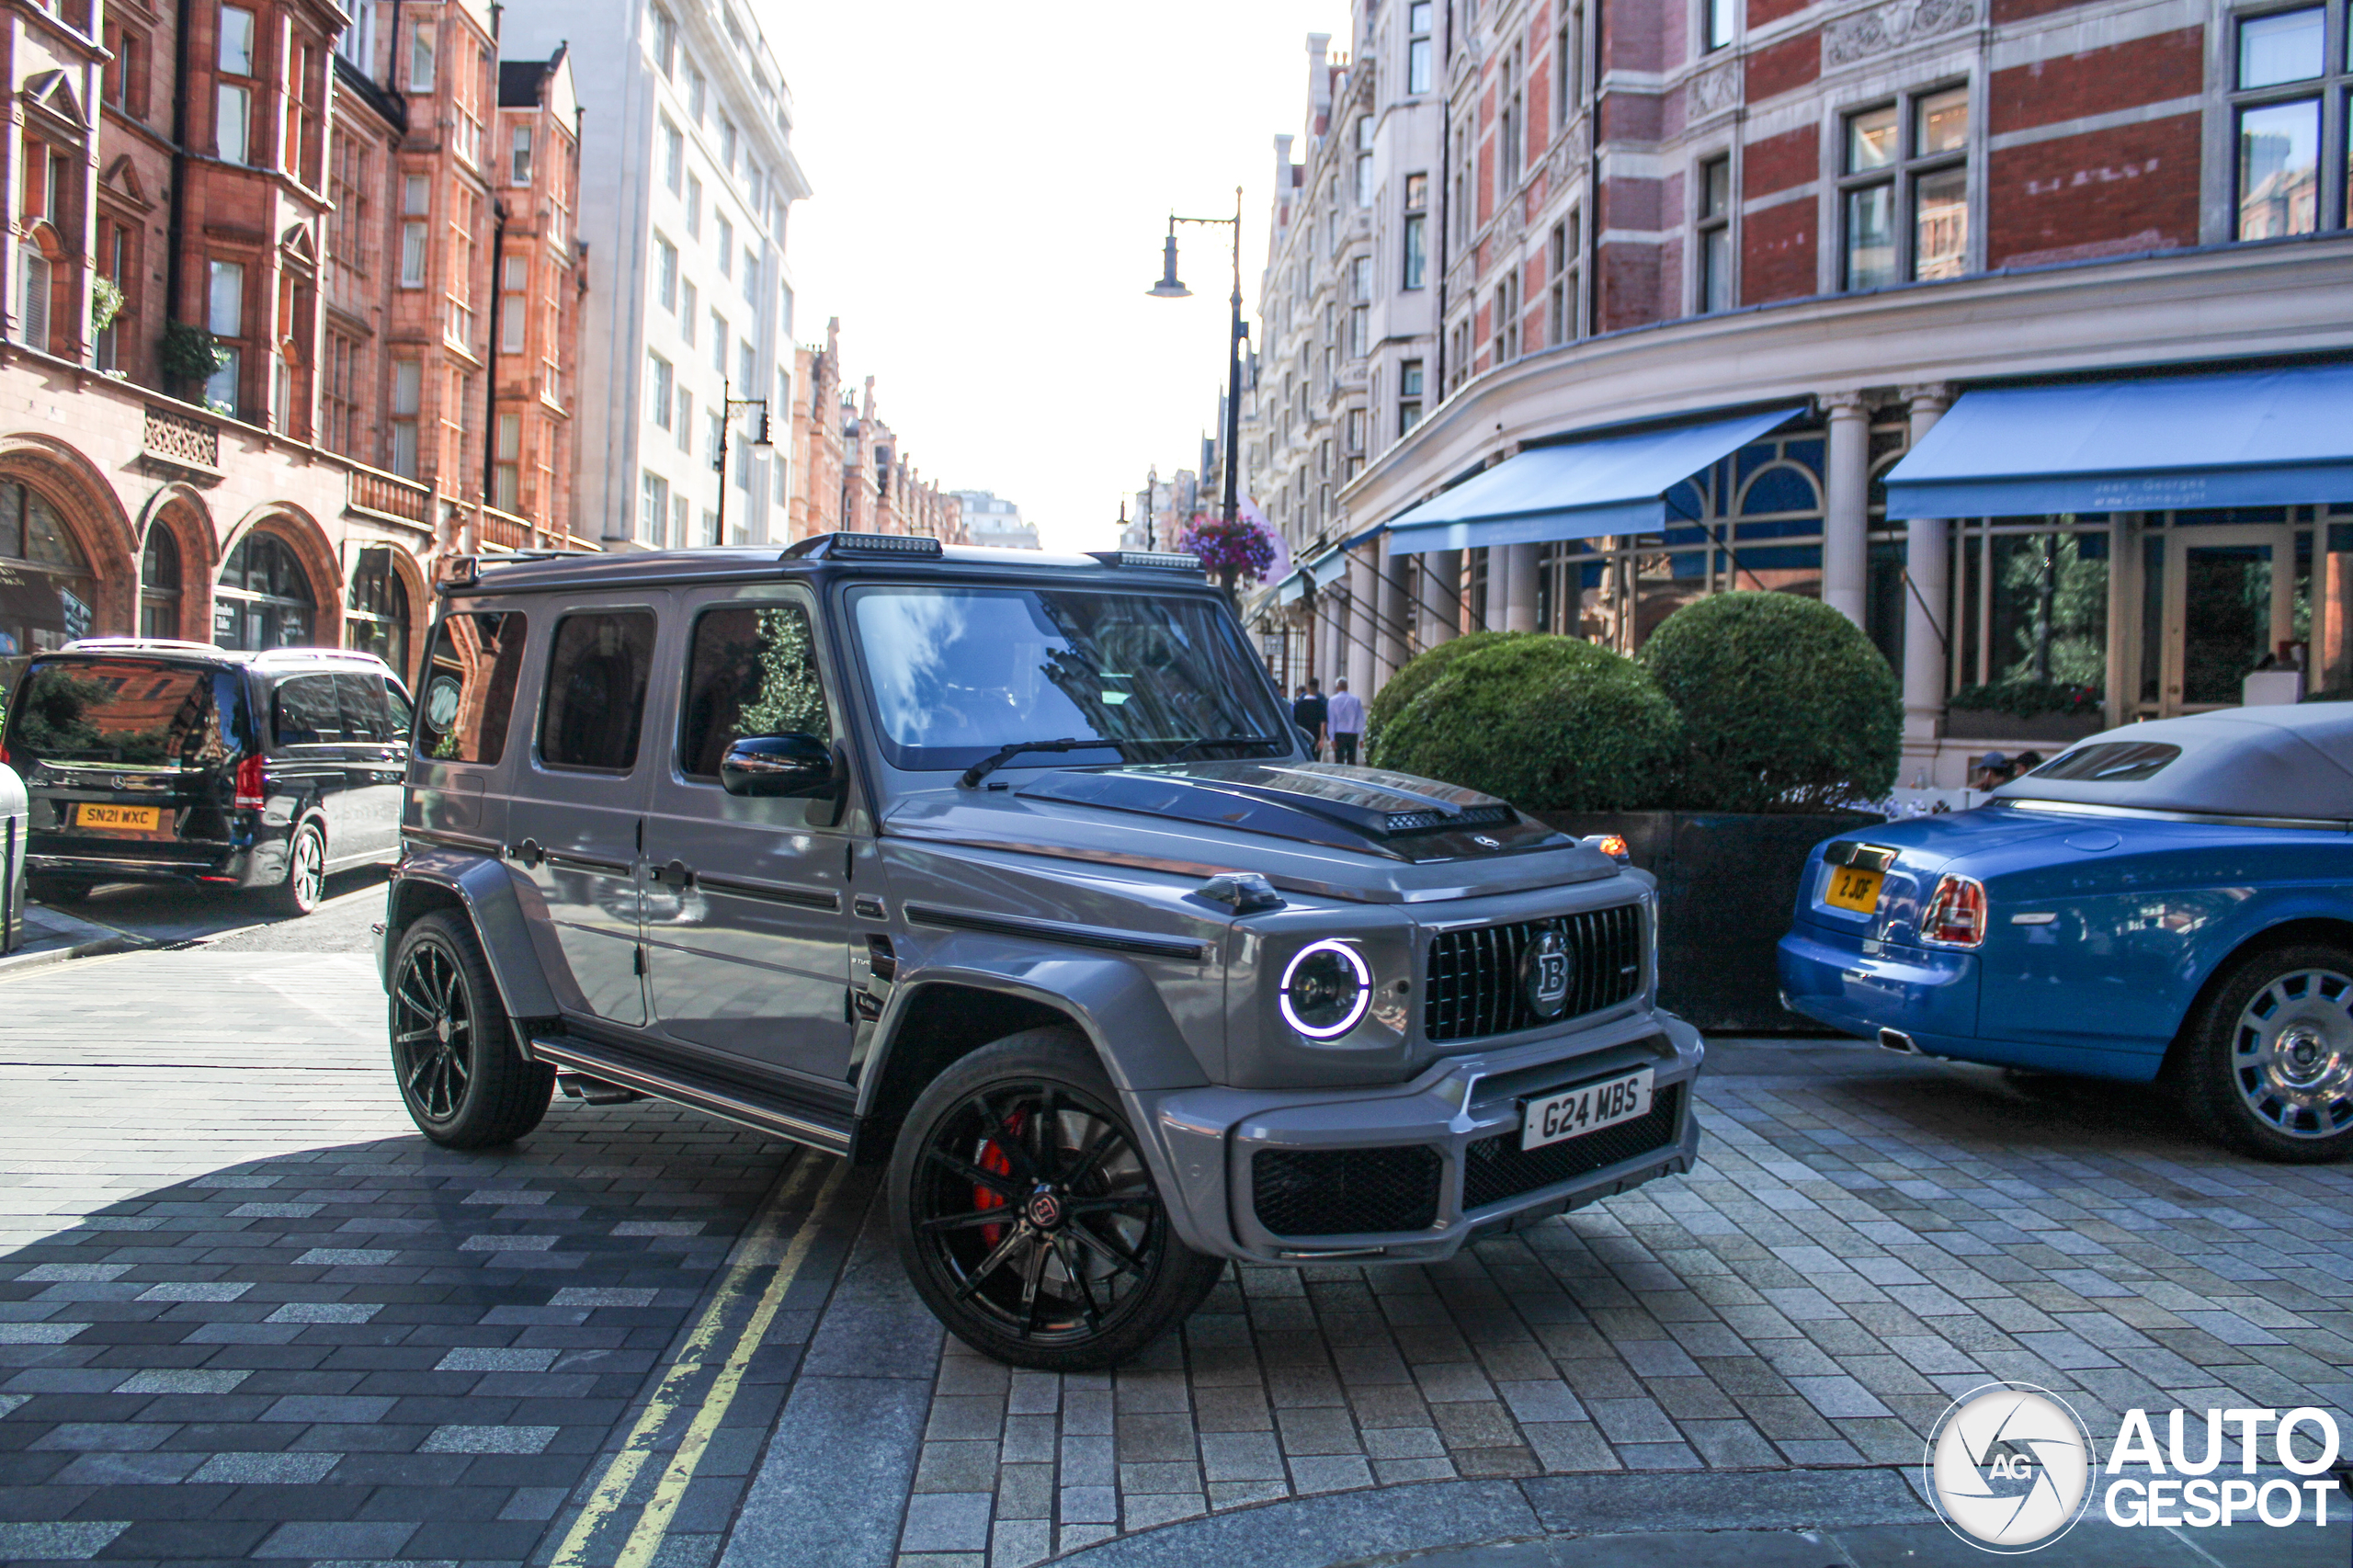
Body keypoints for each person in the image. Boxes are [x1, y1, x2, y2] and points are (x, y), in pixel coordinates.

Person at [1327, 676, 1365, 767]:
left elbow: (1331, 720)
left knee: (1339, 760)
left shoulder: (1332, 700)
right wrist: (1361, 737)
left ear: (1337, 687)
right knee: (1352, 760)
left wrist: (1332, 737)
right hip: (1352, 733)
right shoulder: (1356, 700)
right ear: (1347, 687)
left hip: (1339, 733)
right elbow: (1361, 719)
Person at [1291, 677, 1327, 760]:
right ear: (1317, 689)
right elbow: (1323, 723)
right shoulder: (1321, 706)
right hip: (1316, 737)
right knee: (1315, 760)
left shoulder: (1298, 705)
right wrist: (1321, 739)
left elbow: (1295, 722)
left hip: (1302, 737)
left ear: (1307, 689)